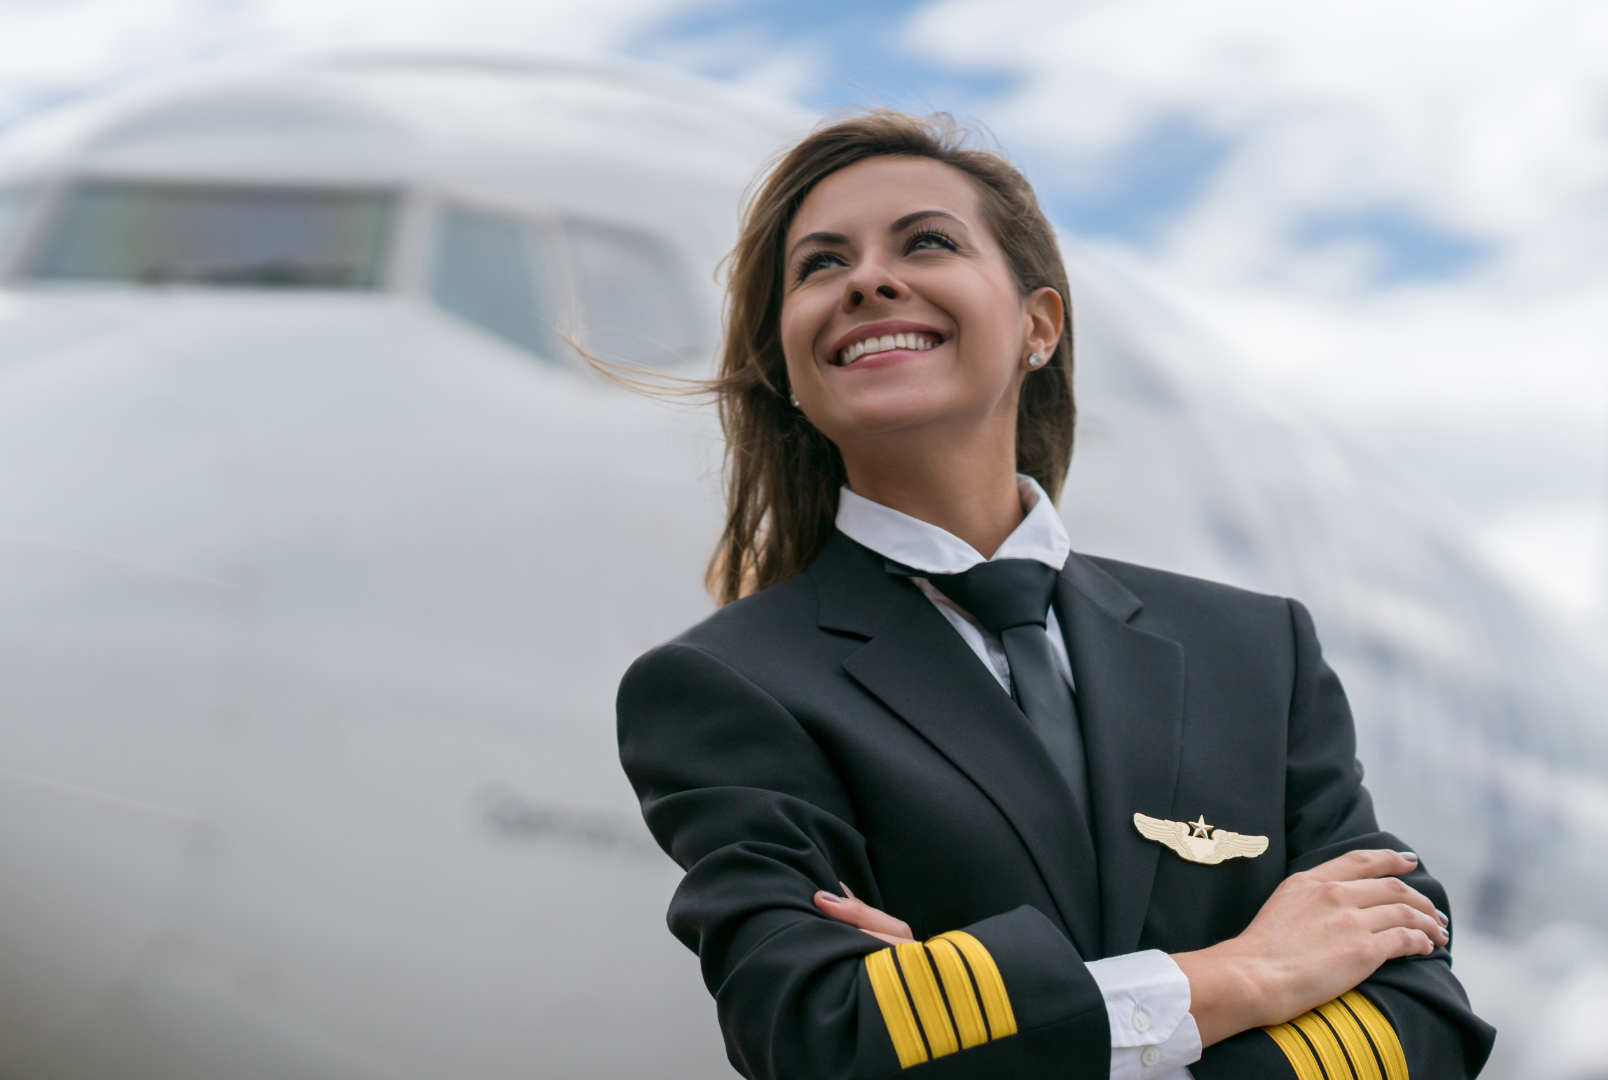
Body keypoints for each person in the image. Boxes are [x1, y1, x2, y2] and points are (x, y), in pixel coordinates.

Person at [614, 110, 1495, 1080]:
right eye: (821, 265)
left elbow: (1416, 1013)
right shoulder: (728, 686)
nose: (866, 279)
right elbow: (820, 1029)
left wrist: (1015, 1025)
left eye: (928, 243)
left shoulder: (1256, 652)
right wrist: (1248, 972)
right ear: (786, 363)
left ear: (1039, 324)